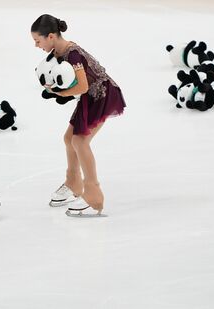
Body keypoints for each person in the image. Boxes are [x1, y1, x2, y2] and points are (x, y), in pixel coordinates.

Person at [31, 14, 126, 216]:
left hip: (102, 95)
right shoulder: (57, 53)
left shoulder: (71, 54)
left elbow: (82, 86)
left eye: (37, 41)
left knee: (80, 141)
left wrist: (57, 93)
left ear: (50, 36)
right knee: (69, 139)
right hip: (90, 97)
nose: (36, 46)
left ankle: (93, 196)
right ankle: (73, 183)